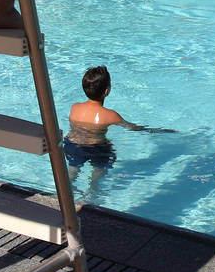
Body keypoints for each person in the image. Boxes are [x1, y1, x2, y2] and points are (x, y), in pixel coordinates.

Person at [64, 66, 173, 194]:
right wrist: (153, 130)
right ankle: (93, 191)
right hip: (97, 149)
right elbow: (132, 127)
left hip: (72, 145)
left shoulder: (75, 107)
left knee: (73, 169)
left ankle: (65, 191)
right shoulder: (111, 115)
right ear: (106, 91)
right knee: (98, 171)